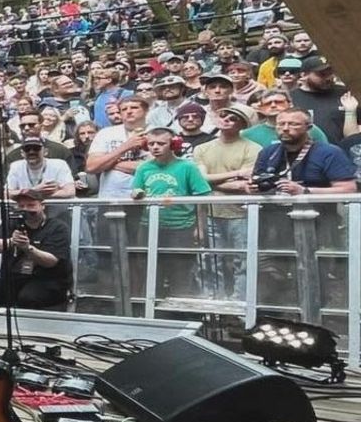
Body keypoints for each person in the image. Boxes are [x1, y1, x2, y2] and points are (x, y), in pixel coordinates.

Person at [194, 104, 262, 298]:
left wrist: (211, 183)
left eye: (233, 119)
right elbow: (201, 179)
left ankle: (241, 303)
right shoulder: (202, 148)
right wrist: (237, 174)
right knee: (211, 259)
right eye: (224, 115)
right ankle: (214, 301)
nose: (226, 120)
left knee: (244, 260)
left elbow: (243, 185)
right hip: (210, 212)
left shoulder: (253, 148)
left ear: (242, 124)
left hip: (241, 213)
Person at [0, 191, 71, 310]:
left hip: (47, 279)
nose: (26, 210)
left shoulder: (57, 227)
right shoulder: (11, 222)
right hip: (15, 277)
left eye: (31, 205)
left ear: (42, 205)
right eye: (21, 206)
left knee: (27, 298)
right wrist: (12, 241)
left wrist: (28, 248)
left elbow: (51, 261)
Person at [131, 128, 213, 250]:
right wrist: (137, 194)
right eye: (151, 144)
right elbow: (135, 190)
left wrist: (200, 227)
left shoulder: (188, 166)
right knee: (147, 265)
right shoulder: (143, 168)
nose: (155, 147)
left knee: (180, 266)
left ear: (174, 144)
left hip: (181, 226)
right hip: (149, 225)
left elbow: (203, 197)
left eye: (161, 143)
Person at [248, 108, 358, 196]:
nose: (285, 128)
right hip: (274, 215)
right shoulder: (268, 152)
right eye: (281, 124)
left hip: (320, 216)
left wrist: (305, 191)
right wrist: (252, 188)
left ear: (308, 128)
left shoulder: (329, 152)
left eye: (293, 124)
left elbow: (348, 188)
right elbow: (256, 182)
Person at [87, 94, 151, 198]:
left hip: (149, 196)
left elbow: (159, 167)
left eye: (134, 107)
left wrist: (110, 164)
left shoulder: (158, 132)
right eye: (124, 109)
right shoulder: (106, 133)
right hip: (112, 197)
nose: (129, 111)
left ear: (146, 110)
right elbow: (91, 166)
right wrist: (125, 147)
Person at [288, 56, 347, 144]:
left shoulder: (344, 93)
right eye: (321, 74)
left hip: (341, 151)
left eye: (330, 73)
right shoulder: (291, 97)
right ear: (304, 75)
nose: (328, 78)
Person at [5, 137, 75, 199]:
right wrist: (35, 190)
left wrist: (33, 194)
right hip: (26, 210)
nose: (31, 152)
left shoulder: (59, 164)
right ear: (22, 153)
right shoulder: (15, 166)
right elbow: (7, 194)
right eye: (27, 149)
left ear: (45, 152)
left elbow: (70, 192)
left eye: (36, 148)